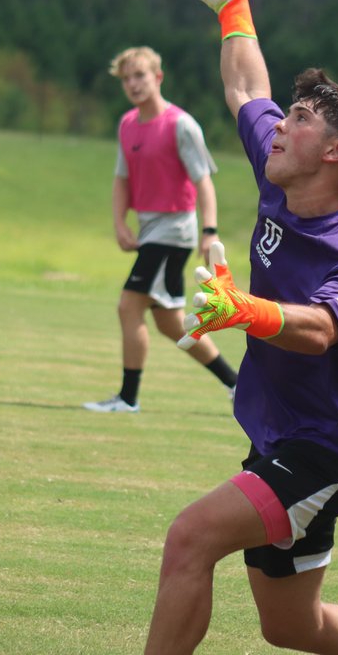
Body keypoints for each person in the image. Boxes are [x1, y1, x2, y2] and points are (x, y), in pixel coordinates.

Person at [141, 0, 338, 655]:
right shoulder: (278, 173)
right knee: (292, 626)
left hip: (331, 453)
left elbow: (321, 331)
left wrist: (244, 311)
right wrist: (234, 7)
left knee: (190, 538)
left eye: (298, 119)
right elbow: (244, 88)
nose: (278, 126)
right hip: (287, 436)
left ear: (334, 154)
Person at [83, 46, 239, 413]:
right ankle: (237, 383)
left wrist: (210, 230)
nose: (133, 84)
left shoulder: (181, 124)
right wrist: (120, 222)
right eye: (126, 79)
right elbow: (122, 179)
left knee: (128, 306)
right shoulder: (127, 124)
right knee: (170, 322)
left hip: (174, 230)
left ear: (158, 77)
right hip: (149, 228)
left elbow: (203, 182)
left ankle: (127, 398)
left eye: (139, 76)